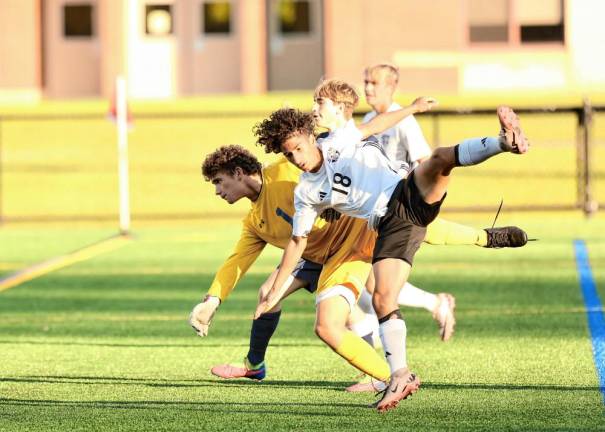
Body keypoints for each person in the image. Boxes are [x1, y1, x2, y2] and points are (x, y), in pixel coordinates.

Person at [254, 78, 529, 411]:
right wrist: (275, 289)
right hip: (391, 226)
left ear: (311, 137)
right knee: (384, 298)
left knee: (440, 159)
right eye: (288, 153)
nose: (296, 157)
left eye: (299, 147)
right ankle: (400, 376)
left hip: (406, 192)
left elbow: (376, 125)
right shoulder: (306, 194)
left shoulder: (338, 141)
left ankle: (505, 143)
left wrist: (411, 108)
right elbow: (297, 243)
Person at [189, 145, 526, 384]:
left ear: (237, 172)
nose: (217, 191)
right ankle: (256, 365)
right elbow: (236, 262)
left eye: (219, 181)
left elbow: (330, 159)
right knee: (269, 296)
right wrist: (211, 300)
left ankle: (486, 238)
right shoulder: (254, 222)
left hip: (353, 237)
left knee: (403, 243)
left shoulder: (286, 169)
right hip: (312, 256)